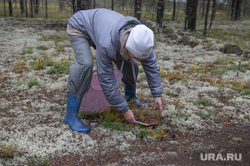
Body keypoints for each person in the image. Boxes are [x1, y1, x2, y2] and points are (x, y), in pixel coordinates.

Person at [64, 8, 163, 133]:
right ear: (127, 48)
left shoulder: (142, 38)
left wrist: (157, 95)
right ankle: (70, 117)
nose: (140, 59)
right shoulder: (107, 45)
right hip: (80, 27)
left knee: (131, 64)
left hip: (103, 28)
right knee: (85, 65)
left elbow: (152, 67)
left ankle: (130, 97)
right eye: (137, 56)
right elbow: (106, 81)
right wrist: (124, 110)